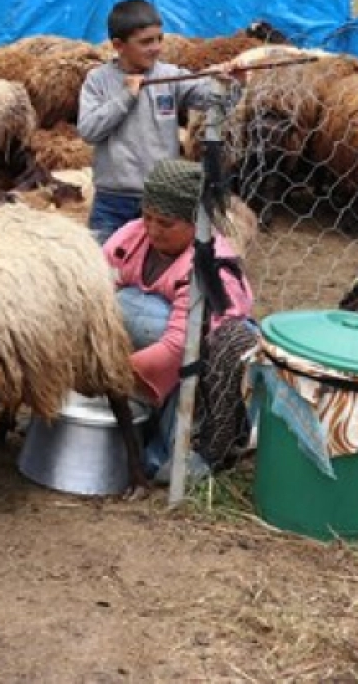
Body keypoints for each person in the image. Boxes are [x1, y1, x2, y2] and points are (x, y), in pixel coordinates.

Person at [102, 158, 256, 480]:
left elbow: (179, 345)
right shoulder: (131, 238)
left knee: (164, 465)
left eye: (166, 223)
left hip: (200, 358)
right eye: (147, 216)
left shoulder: (211, 267)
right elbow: (97, 291)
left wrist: (112, 374)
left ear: (196, 223)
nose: (153, 229)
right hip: (153, 348)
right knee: (120, 304)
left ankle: (205, 437)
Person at [78, 0, 212, 242]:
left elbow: (210, 96)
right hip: (113, 202)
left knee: (162, 261)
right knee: (105, 262)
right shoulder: (98, 81)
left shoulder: (169, 76)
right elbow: (88, 130)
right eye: (146, 42)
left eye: (159, 39)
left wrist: (230, 81)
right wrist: (126, 96)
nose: (156, 47)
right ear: (118, 45)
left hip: (162, 198)